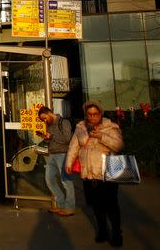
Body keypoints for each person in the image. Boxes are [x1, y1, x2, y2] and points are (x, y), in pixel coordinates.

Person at [66, 101, 124, 247]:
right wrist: (68, 163)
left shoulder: (111, 127)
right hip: (89, 173)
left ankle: (117, 233)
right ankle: (103, 231)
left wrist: (101, 137)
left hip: (107, 173)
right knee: (96, 206)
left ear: (100, 114)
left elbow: (119, 146)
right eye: (89, 114)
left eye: (95, 114)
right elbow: (74, 146)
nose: (92, 117)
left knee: (111, 206)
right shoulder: (80, 127)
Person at [37, 106, 75, 216]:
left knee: (66, 181)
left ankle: (70, 207)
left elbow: (67, 139)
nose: (45, 121)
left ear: (49, 113)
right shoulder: (48, 124)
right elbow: (52, 140)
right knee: (49, 180)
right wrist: (46, 138)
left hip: (63, 154)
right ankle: (61, 204)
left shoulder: (64, 122)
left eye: (44, 118)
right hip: (51, 154)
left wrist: (52, 136)